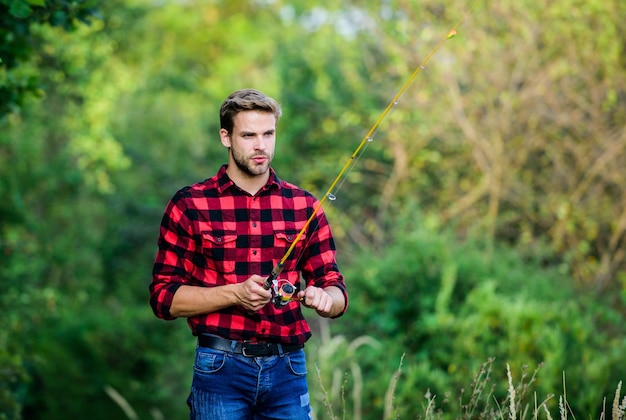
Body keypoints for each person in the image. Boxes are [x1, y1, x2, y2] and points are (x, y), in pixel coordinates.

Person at [149, 88, 348, 419]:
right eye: (249, 135)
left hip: (289, 369)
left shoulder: (303, 205)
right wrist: (234, 294)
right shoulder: (191, 204)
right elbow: (163, 298)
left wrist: (326, 299)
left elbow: (335, 287)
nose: (261, 145)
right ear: (225, 137)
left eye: (268, 134)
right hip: (220, 367)